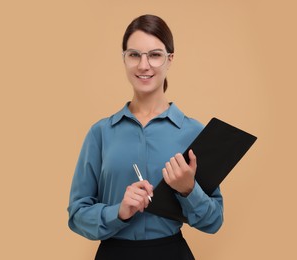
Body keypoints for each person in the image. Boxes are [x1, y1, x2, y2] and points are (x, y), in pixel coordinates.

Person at [67, 14, 223, 260]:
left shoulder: (194, 132)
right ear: (124, 59)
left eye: (155, 54)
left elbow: (213, 221)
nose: (143, 65)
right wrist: (118, 211)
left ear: (169, 59)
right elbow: (76, 215)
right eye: (134, 55)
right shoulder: (100, 133)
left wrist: (189, 190)